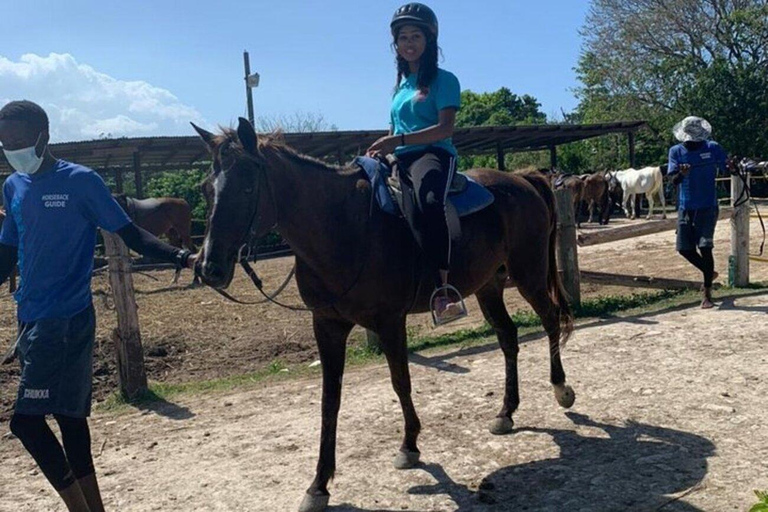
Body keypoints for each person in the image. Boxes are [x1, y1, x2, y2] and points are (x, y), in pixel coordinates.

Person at [0, 100, 196, 511]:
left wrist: (183, 257)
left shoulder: (82, 182)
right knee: (71, 422)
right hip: (31, 319)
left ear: (43, 136)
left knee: (27, 423)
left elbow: (134, 236)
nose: (11, 149)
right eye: (4, 142)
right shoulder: (13, 186)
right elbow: (6, 253)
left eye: (18, 141)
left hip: (65, 321)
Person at [366, 2, 465, 324]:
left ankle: (444, 291)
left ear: (429, 40)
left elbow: (445, 128)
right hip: (399, 157)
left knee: (429, 200)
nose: (408, 43)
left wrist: (398, 141)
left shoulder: (444, 80)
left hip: (432, 154)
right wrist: (382, 148)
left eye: (415, 37)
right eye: (403, 38)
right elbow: (396, 129)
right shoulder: (400, 88)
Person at [667, 116, 729, 309]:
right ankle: (708, 272)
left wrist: (733, 167)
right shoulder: (676, 152)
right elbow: (673, 181)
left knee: (705, 247)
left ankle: (707, 293)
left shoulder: (713, 148)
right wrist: (681, 174)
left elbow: (726, 169)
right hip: (686, 207)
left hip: (707, 206)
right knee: (684, 249)